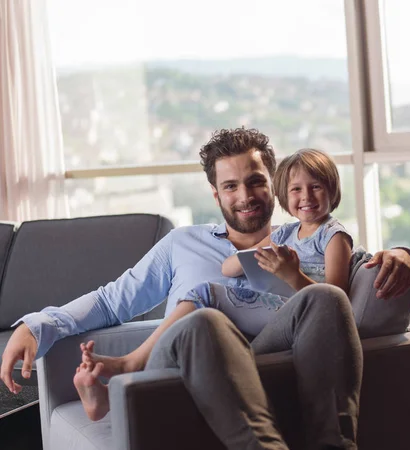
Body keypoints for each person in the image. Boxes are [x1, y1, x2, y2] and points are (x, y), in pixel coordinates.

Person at [1, 128, 410, 449]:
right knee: (205, 319)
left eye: (256, 181)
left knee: (323, 296)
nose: (246, 196)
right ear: (215, 193)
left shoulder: (301, 240)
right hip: (182, 359)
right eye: (230, 186)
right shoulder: (183, 243)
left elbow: (350, 271)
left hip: (266, 359)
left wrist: (408, 255)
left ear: (274, 182)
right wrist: (38, 324)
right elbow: (112, 300)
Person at [74, 148, 354, 421]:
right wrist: (251, 258)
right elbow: (228, 267)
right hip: (271, 314)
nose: (306, 197)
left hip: (294, 317)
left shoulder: (333, 236)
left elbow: (333, 302)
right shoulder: (287, 232)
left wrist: (291, 274)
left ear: (332, 190)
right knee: (204, 295)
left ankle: (130, 364)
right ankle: (114, 393)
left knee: (206, 295)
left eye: (315, 187)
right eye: (296, 190)